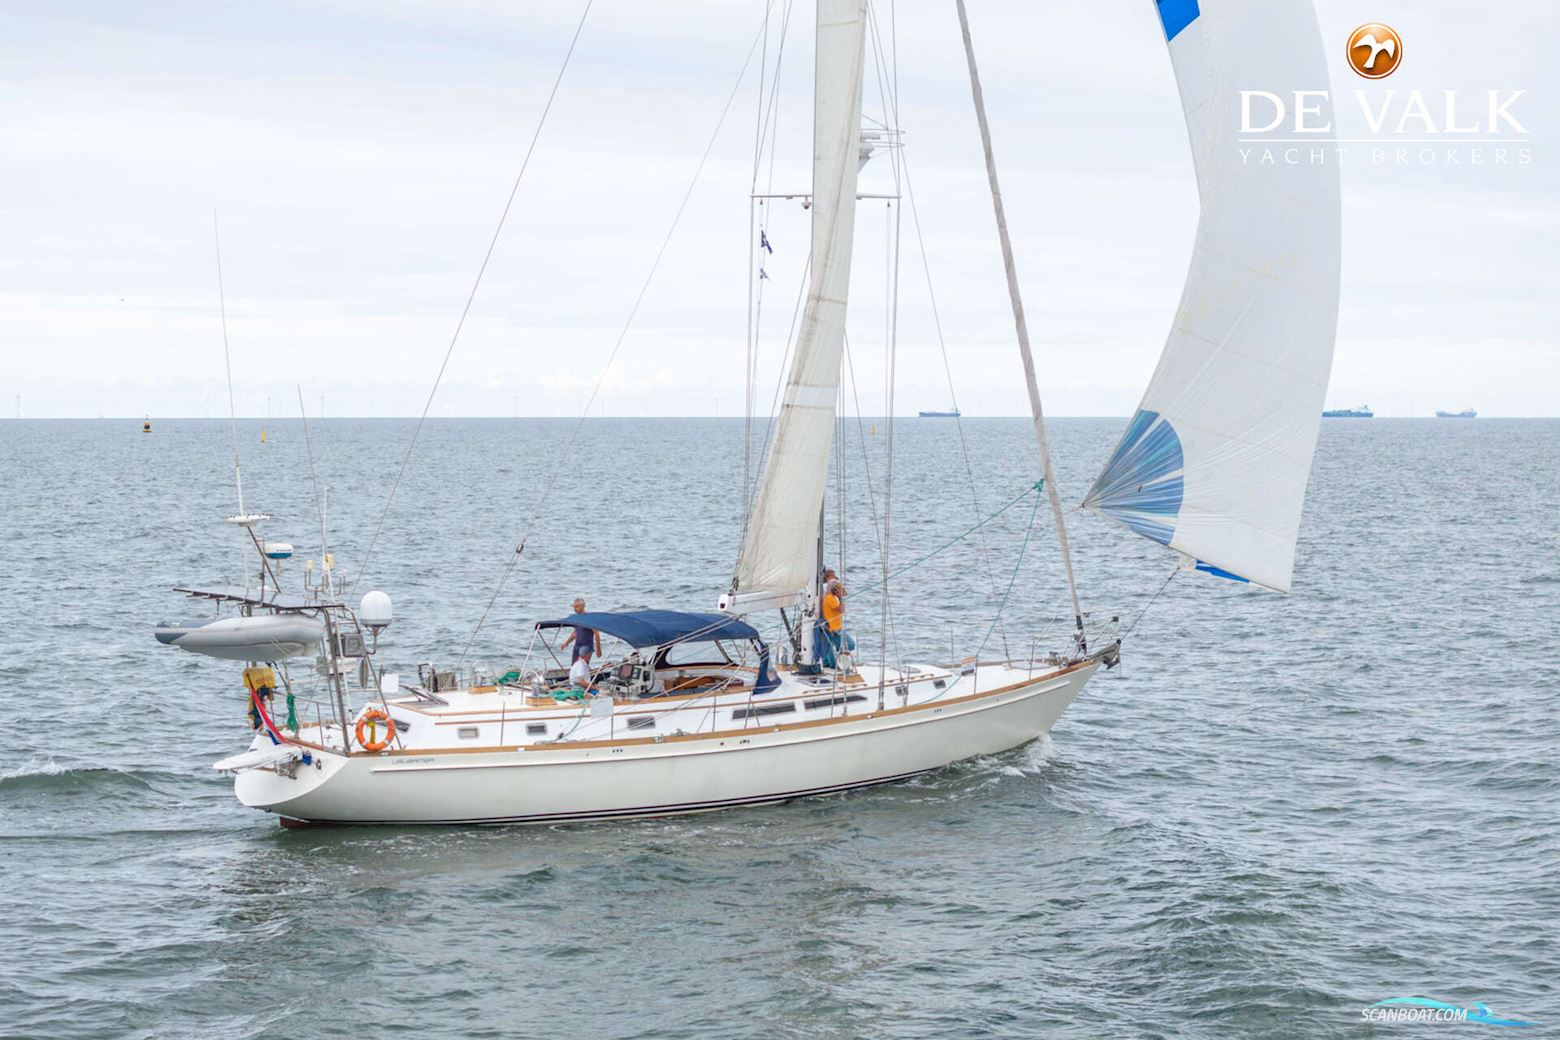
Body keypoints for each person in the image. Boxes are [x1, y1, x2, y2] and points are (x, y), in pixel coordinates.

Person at [559, 597, 602, 663]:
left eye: (576, 607)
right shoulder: (577, 618)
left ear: (582, 606)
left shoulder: (589, 618)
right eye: (574, 607)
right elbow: (575, 633)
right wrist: (566, 643)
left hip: (587, 646)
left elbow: (596, 633)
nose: (574, 609)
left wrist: (598, 649)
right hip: (577, 645)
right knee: (574, 666)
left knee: (581, 665)